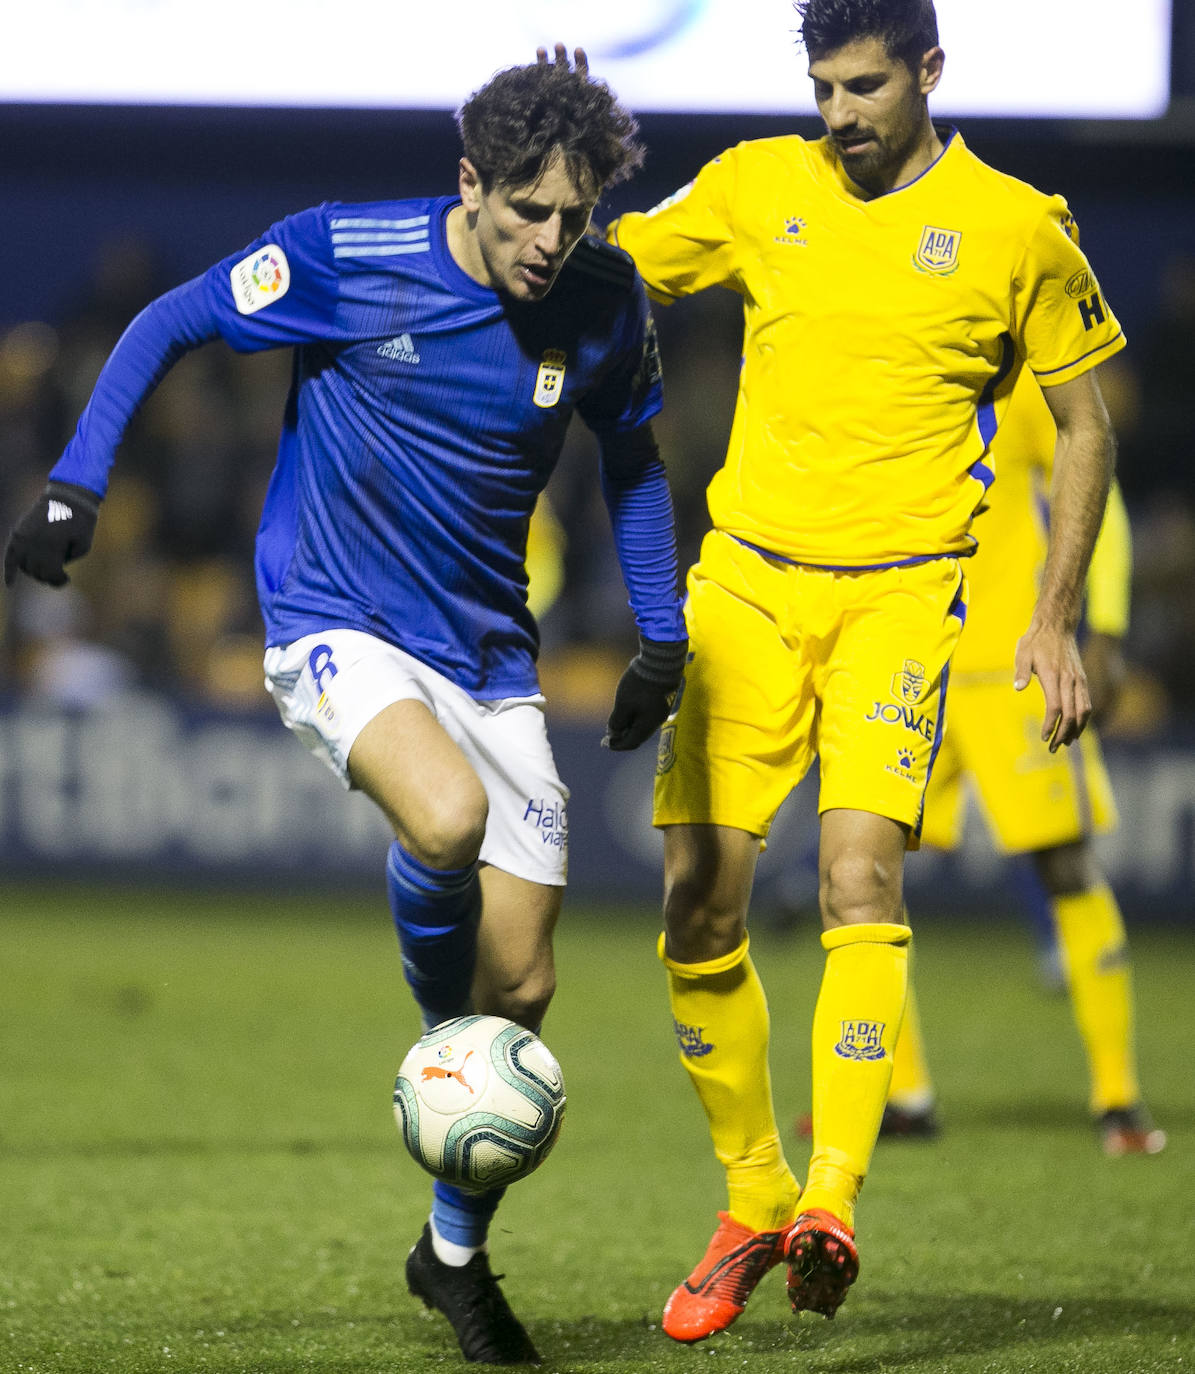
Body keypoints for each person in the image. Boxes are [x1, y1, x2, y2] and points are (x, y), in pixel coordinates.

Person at [4, 51, 687, 1367]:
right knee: (446, 821)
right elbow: (171, 320)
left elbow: (635, 462)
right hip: (333, 615)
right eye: (526, 211)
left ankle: (450, 1259)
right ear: (469, 182)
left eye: (574, 215)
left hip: (488, 653)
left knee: (525, 983)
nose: (550, 240)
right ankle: (439, 1050)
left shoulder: (604, 301)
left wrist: (662, 636)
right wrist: (78, 481)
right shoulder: (347, 253)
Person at [605, 0, 1124, 1343]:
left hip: (899, 596)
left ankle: (829, 1196)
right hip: (746, 587)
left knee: (856, 879)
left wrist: (1054, 616)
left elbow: (1084, 425)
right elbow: (602, 268)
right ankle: (752, 1198)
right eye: (822, 86)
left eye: (863, 86)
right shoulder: (755, 185)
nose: (836, 113)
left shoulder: (1015, 226)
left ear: (928, 71)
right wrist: (549, 165)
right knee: (697, 902)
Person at [883, 368, 1166, 1156]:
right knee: (865, 869)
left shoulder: (1018, 385)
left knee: (1064, 864)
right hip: (902, 663)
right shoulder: (889, 374)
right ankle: (903, 1093)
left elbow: (1096, 485)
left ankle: (1116, 1096)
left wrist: (1103, 627)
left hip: (1009, 666)